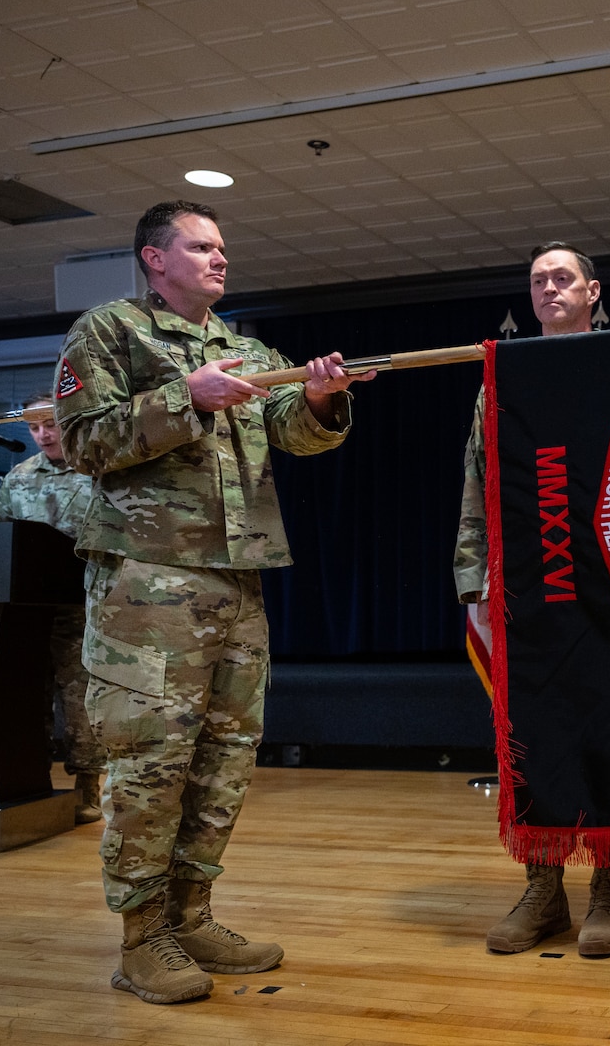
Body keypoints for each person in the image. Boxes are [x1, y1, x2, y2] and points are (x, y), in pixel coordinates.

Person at [53, 200, 371, 1005]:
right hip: (147, 583)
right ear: (154, 259)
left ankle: (191, 915)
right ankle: (141, 939)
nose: (220, 259)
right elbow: (83, 440)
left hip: (237, 578)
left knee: (223, 762)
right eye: (201, 247)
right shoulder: (110, 331)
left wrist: (324, 398)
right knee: (149, 763)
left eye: (223, 247)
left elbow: (294, 431)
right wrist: (184, 398)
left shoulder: (247, 347)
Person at [454, 241, 610, 958]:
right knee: (531, 738)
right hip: (529, 587)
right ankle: (543, 888)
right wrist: (473, 575)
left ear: (592, 291)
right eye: (536, 281)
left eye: (562, 278)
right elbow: (478, 479)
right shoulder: (504, 379)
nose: (548, 289)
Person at [0, 395, 105, 823]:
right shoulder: (18, 477)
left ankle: (88, 784)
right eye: (34, 427)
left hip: (80, 608)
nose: (43, 434)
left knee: (79, 700)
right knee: (22, 697)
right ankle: (29, 779)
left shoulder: (99, 468)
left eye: (50, 424)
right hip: (25, 613)